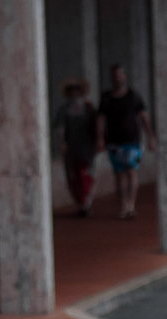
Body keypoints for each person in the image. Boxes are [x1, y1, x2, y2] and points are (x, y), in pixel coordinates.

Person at [98, 64, 153, 220]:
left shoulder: (133, 96)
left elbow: (143, 117)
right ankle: (123, 205)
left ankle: (131, 205)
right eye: (114, 75)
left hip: (132, 141)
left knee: (131, 170)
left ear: (124, 76)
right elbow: (100, 119)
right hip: (114, 142)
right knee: (119, 174)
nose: (117, 77)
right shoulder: (107, 98)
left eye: (119, 74)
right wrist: (100, 138)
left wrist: (150, 137)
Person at [56, 78, 98, 216]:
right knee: (72, 176)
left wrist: (98, 141)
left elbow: (96, 125)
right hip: (71, 148)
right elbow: (60, 127)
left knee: (85, 174)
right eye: (71, 90)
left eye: (77, 89)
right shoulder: (64, 110)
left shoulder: (88, 108)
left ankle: (86, 202)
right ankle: (80, 204)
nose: (74, 92)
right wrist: (62, 143)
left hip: (86, 147)